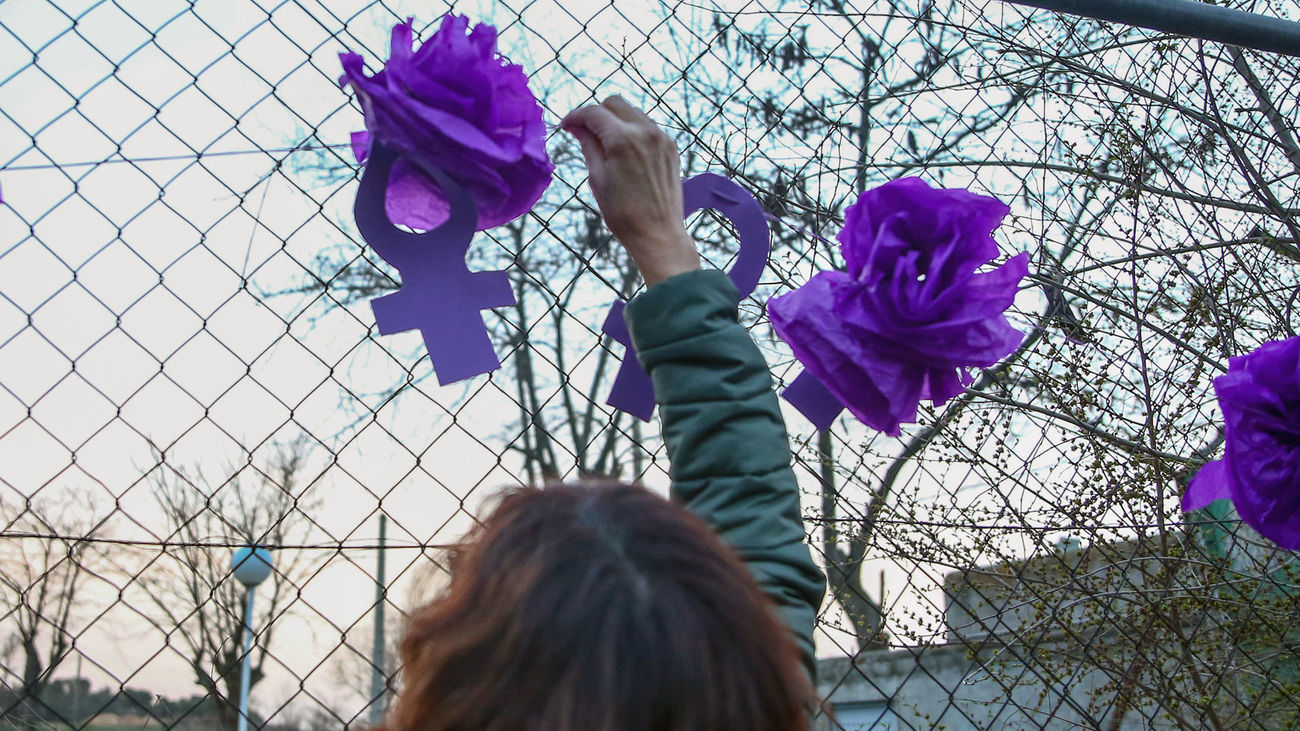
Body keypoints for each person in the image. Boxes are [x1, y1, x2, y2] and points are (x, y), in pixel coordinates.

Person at [379, 97, 826, 731]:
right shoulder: (749, 698)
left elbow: (753, 520)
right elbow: (748, 498)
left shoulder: (757, 689)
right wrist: (663, 240)